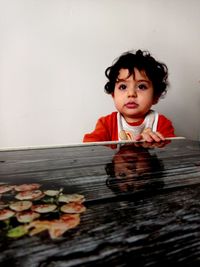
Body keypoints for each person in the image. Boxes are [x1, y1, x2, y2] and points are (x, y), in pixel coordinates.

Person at [83, 50, 175, 143]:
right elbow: (89, 148)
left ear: (155, 96)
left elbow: (173, 152)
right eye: (123, 87)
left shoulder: (161, 124)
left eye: (141, 86)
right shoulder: (107, 124)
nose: (131, 94)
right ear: (113, 95)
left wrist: (157, 143)